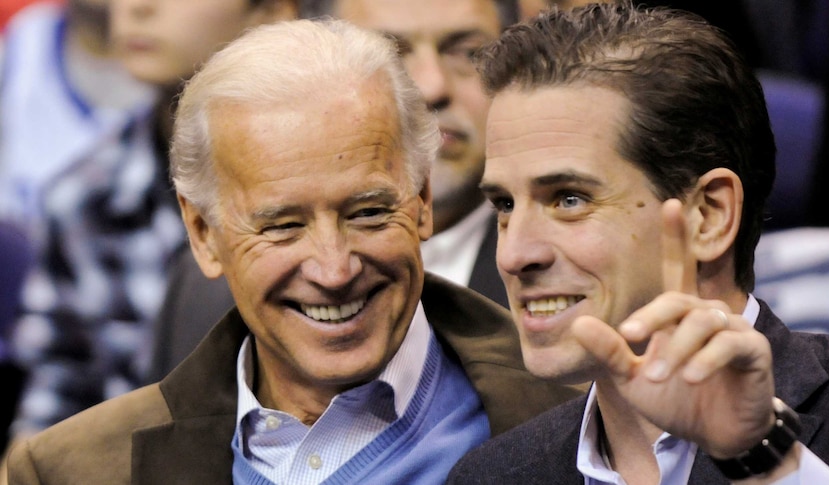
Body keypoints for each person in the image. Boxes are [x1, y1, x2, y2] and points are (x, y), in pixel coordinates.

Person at [7, 18, 579, 484]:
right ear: (203, 234)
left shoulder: (585, 427)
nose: (334, 269)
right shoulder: (71, 471)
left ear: (422, 199)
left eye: (367, 213)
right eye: (282, 225)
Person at [446, 2, 829, 483]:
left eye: (569, 199)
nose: (514, 255)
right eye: (504, 205)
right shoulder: (491, 476)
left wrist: (765, 460)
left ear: (708, 216)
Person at [147, 0, 520, 382]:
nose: (430, 86)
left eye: (468, 53)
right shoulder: (198, 297)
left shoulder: (555, 271)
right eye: (392, 52)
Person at [0, 0, 299, 475]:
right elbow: (56, 394)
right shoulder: (84, 197)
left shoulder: (329, 187)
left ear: (270, 13)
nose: (136, 8)